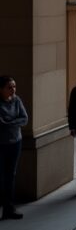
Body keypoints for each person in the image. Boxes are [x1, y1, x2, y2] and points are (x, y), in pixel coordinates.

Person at [0, 76, 28, 220]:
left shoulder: (17, 100)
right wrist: (14, 122)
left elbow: (24, 118)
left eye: (14, 87)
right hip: (1, 144)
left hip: (15, 142)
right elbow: (2, 123)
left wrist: (10, 122)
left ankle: (8, 208)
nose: (13, 90)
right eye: (9, 87)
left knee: (11, 176)